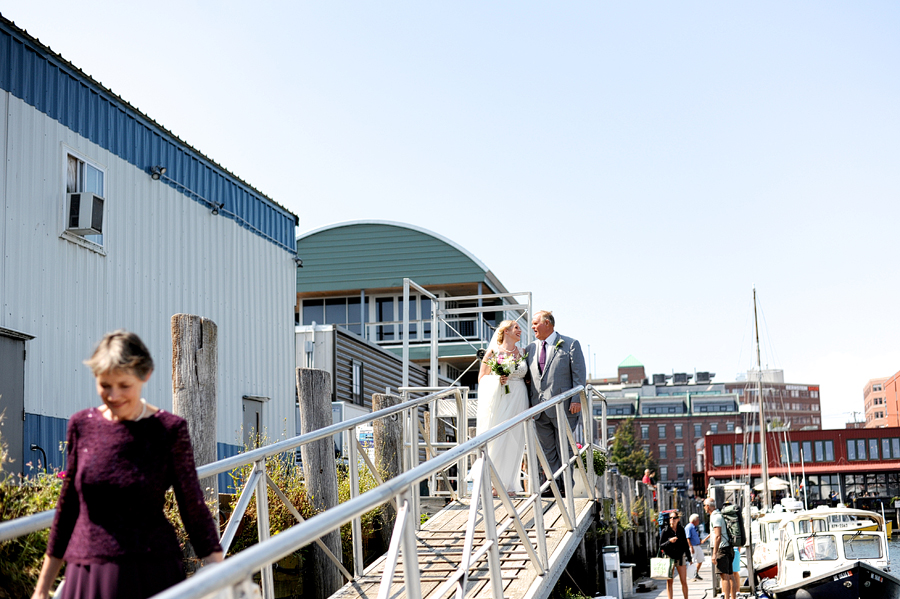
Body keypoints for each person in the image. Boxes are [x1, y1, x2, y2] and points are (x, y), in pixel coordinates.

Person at [32, 331, 223, 599]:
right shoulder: (81, 425)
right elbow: (68, 507)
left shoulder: (169, 430)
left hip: (149, 571)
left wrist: (224, 574)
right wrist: (41, 590)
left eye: (124, 385)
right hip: (86, 573)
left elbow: (192, 506)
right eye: (105, 385)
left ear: (145, 375)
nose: (114, 395)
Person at [525, 311, 586, 494]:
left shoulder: (570, 344)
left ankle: (567, 486)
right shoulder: (530, 349)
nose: (533, 327)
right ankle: (555, 485)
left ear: (548, 324)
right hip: (538, 409)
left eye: (535, 323)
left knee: (564, 448)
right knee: (547, 451)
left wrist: (576, 399)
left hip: (564, 408)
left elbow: (579, 375)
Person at [475, 320, 529, 494]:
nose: (520, 330)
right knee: (498, 438)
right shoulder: (492, 352)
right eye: (516, 328)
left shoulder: (523, 352)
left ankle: (509, 484)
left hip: (520, 397)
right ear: (505, 331)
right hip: (501, 398)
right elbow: (481, 378)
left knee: (515, 439)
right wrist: (497, 380)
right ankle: (493, 482)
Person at [704, 497, 735, 599]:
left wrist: (714, 553)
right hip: (727, 547)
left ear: (708, 506)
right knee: (730, 575)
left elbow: (718, 536)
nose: (704, 508)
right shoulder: (718, 515)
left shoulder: (715, 516)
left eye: (704, 505)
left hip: (722, 549)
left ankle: (727, 597)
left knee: (724, 576)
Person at [658, 511, 692, 599]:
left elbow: (685, 545)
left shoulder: (681, 530)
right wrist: (669, 541)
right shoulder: (665, 530)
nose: (672, 520)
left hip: (680, 557)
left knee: (684, 581)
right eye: (670, 518)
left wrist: (689, 557)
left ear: (678, 519)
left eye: (674, 518)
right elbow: (661, 545)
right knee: (669, 581)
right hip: (669, 557)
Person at [684, 513, 708, 580]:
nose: (699, 521)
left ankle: (695, 573)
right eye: (697, 519)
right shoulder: (689, 527)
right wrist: (691, 547)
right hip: (693, 546)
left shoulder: (695, 527)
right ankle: (691, 576)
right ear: (694, 520)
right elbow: (687, 538)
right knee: (692, 561)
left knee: (701, 559)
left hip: (697, 545)